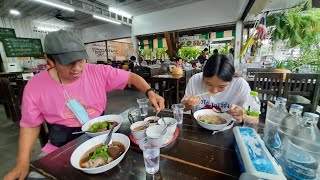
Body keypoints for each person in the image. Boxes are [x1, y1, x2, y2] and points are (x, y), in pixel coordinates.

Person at [4, 30, 165, 180]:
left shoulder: (97, 72)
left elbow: (131, 77)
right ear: (49, 60)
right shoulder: (35, 86)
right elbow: (30, 125)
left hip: (103, 139)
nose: (77, 68)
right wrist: (22, 161)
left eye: (80, 60)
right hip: (61, 147)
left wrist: (150, 92)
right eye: (68, 63)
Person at [182, 54, 256, 124]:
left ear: (231, 80)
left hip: (230, 130)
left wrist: (242, 116)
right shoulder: (195, 80)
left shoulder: (240, 84)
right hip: (198, 128)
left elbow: (255, 120)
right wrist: (188, 105)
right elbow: (183, 108)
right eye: (209, 84)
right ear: (203, 76)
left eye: (221, 86)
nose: (214, 90)